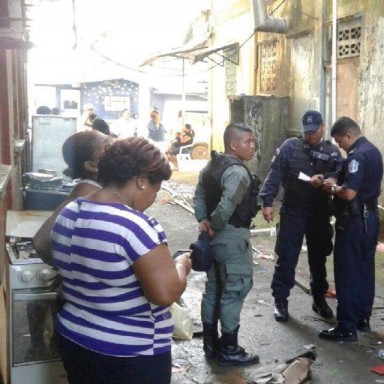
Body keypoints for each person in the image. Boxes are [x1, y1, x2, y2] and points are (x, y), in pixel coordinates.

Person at [50, 137, 191, 384]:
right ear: (142, 181)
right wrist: (183, 265)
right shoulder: (134, 226)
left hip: (74, 337)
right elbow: (165, 294)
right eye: (154, 192)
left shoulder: (69, 212)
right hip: (129, 354)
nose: (152, 200)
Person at [259, 110, 343, 322]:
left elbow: (341, 175)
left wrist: (327, 179)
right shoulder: (290, 147)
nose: (310, 136)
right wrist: (267, 201)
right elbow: (275, 174)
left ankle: (319, 299)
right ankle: (280, 300)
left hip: (319, 212)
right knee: (286, 257)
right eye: (307, 133)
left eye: (314, 132)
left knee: (318, 258)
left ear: (322, 127)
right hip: (294, 210)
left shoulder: (332, 151)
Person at [194, 122, 261, 366]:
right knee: (234, 290)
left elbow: (200, 194)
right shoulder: (238, 172)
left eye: (253, 141)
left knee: (213, 289)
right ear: (233, 144)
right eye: (248, 142)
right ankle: (230, 348)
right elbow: (226, 207)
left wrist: (203, 221)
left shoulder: (212, 164)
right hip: (230, 238)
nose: (253, 146)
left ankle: (211, 344)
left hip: (210, 238)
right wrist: (214, 223)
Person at [319, 116, 383, 342]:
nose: (339, 147)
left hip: (354, 221)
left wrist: (331, 186)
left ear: (348, 135)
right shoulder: (373, 151)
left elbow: (348, 193)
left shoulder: (357, 156)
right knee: (365, 271)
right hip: (370, 219)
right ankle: (361, 319)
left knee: (347, 273)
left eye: (340, 141)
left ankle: (346, 327)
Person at [33, 130, 112, 264]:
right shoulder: (87, 192)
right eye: (108, 147)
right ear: (92, 166)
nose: (116, 150)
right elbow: (40, 242)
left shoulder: (95, 189)